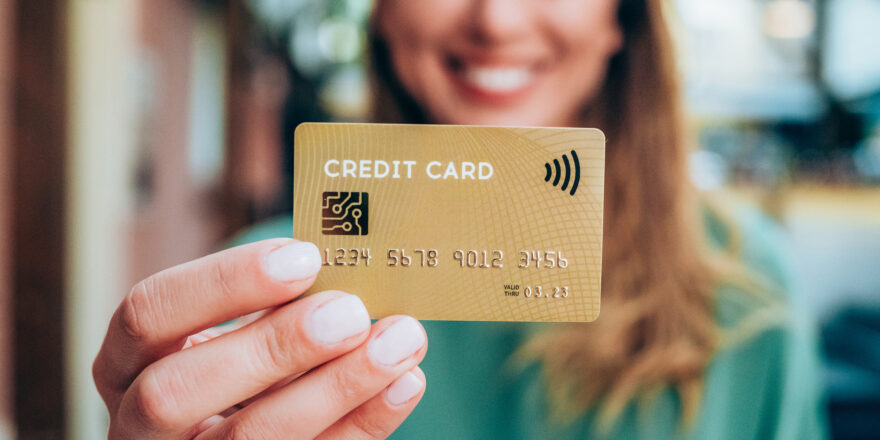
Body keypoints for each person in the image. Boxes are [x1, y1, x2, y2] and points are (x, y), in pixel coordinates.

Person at [93, 0, 827, 438]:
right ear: (380, 13)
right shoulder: (254, 300)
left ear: (621, 20)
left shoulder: (748, 290)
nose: (496, 20)